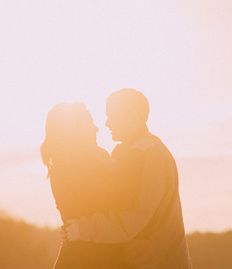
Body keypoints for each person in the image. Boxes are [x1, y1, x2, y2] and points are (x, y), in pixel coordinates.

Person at [64, 89, 192, 269]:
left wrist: (84, 229)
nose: (107, 123)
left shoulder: (148, 155)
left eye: (112, 115)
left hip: (154, 262)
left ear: (134, 117)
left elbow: (136, 216)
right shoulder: (131, 152)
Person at [41, 102, 126, 269]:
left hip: (88, 255)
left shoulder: (92, 158)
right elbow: (120, 202)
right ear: (75, 130)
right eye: (90, 124)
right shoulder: (73, 167)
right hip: (90, 258)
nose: (97, 129)